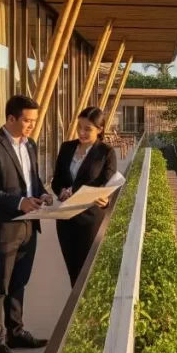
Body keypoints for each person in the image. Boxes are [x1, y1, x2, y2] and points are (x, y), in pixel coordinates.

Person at [0, 94, 54, 353]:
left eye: (33, 120)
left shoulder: (29, 144)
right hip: (2, 229)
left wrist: (43, 195)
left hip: (29, 226)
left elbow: (33, 180)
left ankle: (16, 332)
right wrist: (20, 202)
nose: (32, 125)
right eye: (27, 120)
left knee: (19, 282)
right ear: (11, 119)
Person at [52, 106, 117, 286]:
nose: (81, 132)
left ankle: (86, 310)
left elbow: (108, 183)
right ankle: (76, 311)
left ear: (100, 129)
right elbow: (56, 180)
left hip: (90, 219)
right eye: (79, 127)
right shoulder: (66, 148)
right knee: (73, 270)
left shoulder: (106, 152)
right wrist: (61, 191)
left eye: (87, 129)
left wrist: (106, 201)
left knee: (87, 271)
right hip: (65, 219)